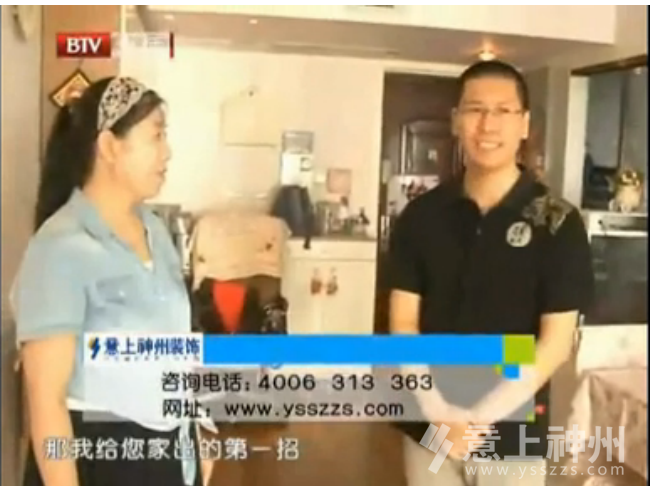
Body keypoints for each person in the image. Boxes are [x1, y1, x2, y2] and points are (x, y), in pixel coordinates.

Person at [388, 60, 594, 486]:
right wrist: (439, 413)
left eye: (503, 110)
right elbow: (403, 324)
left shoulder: (558, 221)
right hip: (429, 425)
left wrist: (477, 420)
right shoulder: (421, 216)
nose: (488, 124)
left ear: (524, 124)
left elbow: (555, 344)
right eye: (475, 109)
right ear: (456, 121)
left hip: (513, 429)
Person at [12, 77, 213, 486]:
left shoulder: (156, 231)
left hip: (167, 452)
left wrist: (197, 427)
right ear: (109, 147)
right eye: (156, 135)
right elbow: (47, 402)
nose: (167, 151)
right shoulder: (62, 246)